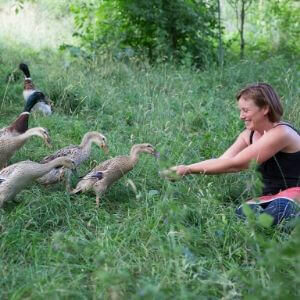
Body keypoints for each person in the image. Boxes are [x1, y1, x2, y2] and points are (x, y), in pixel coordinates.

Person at [171, 83, 300, 225]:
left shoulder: (282, 133)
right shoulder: (248, 135)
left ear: (265, 109)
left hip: (294, 194)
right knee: (243, 212)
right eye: (240, 111)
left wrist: (188, 169)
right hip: (268, 197)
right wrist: (183, 168)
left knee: (280, 210)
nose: (241, 116)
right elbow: (223, 160)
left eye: (245, 110)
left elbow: (238, 164)